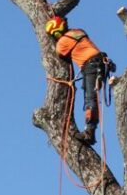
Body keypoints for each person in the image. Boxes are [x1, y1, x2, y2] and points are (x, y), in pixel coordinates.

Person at [45, 16, 114, 145]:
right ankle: (90, 131)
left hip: (91, 65)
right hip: (100, 63)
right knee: (91, 97)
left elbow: (60, 53)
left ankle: (89, 132)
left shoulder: (63, 41)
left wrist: (56, 41)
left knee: (90, 99)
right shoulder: (77, 31)